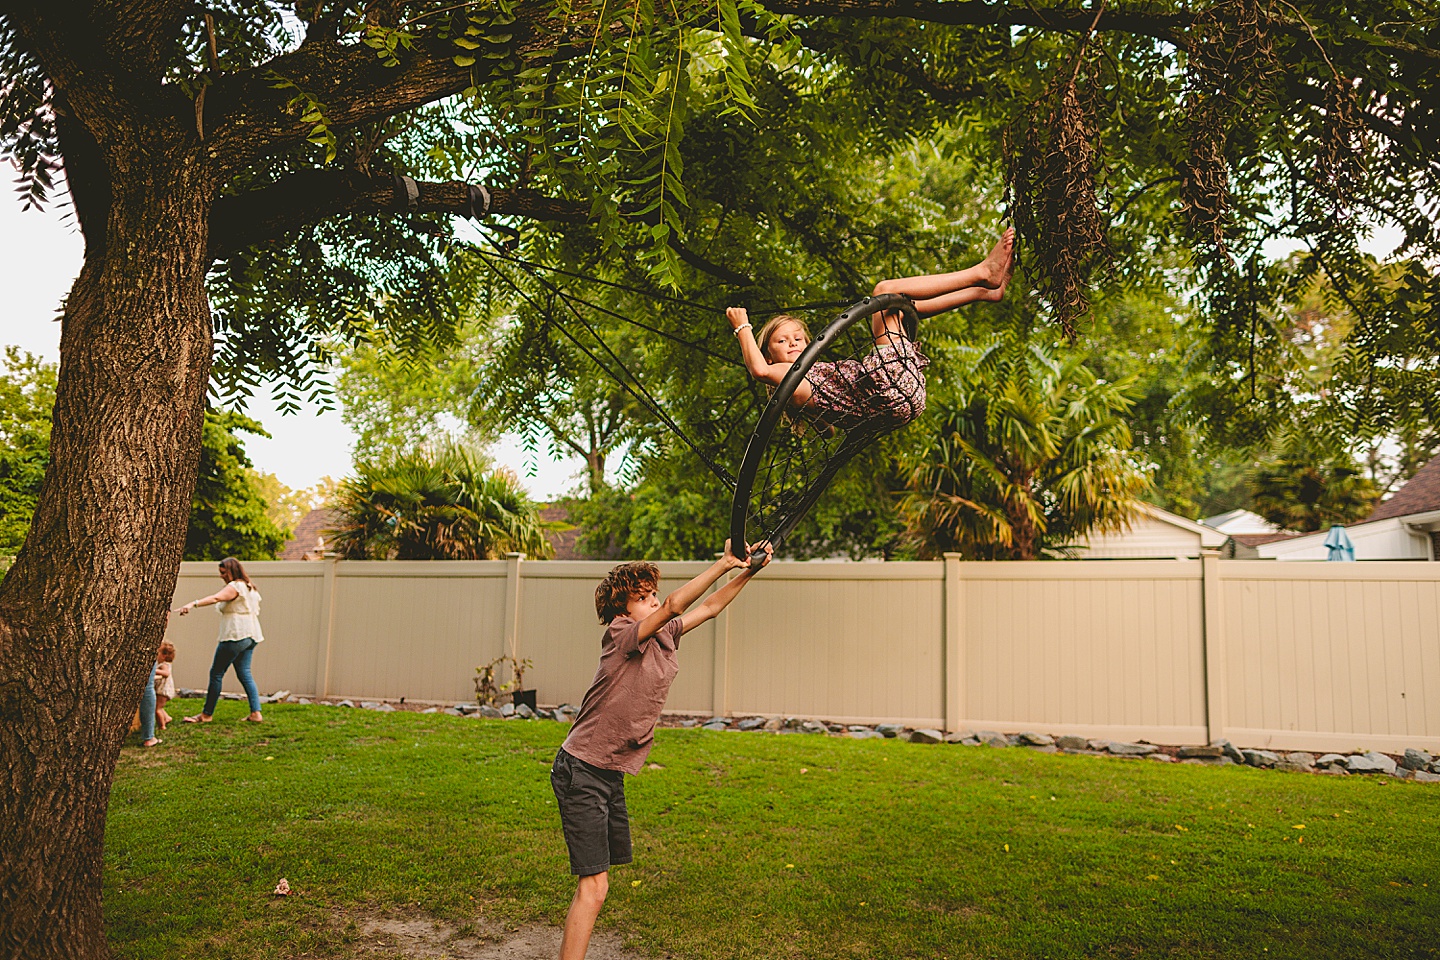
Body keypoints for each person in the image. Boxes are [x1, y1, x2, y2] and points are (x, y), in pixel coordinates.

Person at [553, 539, 772, 960]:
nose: (654, 601)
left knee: (599, 886)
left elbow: (707, 609)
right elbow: (675, 604)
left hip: (607, 770)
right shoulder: (620, 635)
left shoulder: (663, 636)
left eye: (652, 594)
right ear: (623, 610)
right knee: (594, 888)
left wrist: (748, 572)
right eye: (643, 598)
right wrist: (724, 563)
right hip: (581, 769)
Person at [725, 229, 1014, 431]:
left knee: (897, 306)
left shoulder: (804, 394)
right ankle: (982, 273)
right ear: (770, 356)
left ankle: (984, 293)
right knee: (885, 290)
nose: (792, 343)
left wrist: (820, 423)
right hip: (889, 385)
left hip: (900, 399)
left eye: (798, 338)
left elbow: (827, 429)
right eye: (781, 341)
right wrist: (742, 327)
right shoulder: (787, 378)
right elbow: (760, 371)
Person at [176, 557, 266, 724]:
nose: (221, 576)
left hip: (235, 635)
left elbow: (216, 598)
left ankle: (206, 714)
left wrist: (192, 604)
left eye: (223, 572)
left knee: (216, 673)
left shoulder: (236, 587)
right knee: (245, 673)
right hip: (251, 635)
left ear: (233, 571)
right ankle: (256, 713)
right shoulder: (250, 588)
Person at [153, 640, 177, 730]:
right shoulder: (163, 664)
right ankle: (167, 718)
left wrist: (153, 671)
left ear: (164, 655)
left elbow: (166, 673)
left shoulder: (164, 665)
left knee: (157, 709)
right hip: (163, 690)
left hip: (163, 690)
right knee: (160, 706)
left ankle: (162, 726)